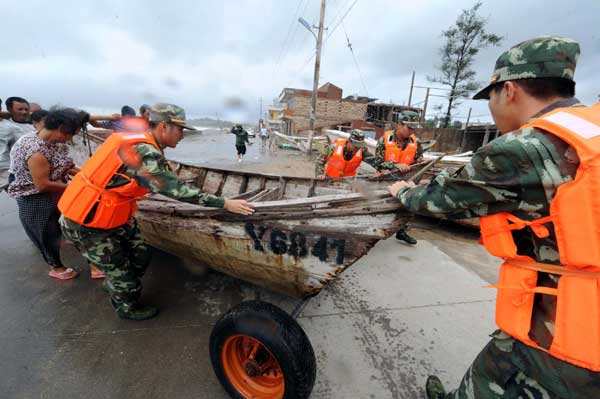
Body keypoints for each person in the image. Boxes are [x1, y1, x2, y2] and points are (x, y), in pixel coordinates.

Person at [388, 37, 600, 399]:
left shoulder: (525, 149)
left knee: (495, 379)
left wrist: (403, 192)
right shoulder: (591, 127)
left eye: (490, 97)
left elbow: (441, 200)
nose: (491, 107)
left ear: (510, 90)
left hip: (567, 327)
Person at [58, 103, 254, 321]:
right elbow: (176, 190)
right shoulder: (144, 151)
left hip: (114, 213)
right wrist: (224, 203)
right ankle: (127, 307)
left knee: (140, 255)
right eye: (179, 130)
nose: (182, 136)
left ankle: (115, 282)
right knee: (127, 280)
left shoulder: (142, 139)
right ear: (163, 126)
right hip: (86, 220)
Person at [7, 108, 91, 280]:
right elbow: (42, 185)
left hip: (55, 189)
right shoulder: (34, 150)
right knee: (45, 232)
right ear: (60, 128)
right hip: (34, 197)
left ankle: (64, 245)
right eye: (70, 135)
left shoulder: (53, 142)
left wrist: (88, 176)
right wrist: (80, 186)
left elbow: (67, 165)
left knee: (62, 225)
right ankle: (57, 267)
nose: (70, 139)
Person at [376, 119, 424, 245]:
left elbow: (417, 160)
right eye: (409, 128)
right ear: (399, 125)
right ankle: (376, 229)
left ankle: (401, 231)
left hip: (405, 180)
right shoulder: (384, 140)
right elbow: (377, 162)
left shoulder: (416, 142)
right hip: (385, 180)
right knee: (381, 206)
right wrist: (395, 165)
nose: (411, 131)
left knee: (406, 204)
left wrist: (419, 161)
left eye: (413, 129)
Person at [315, 130, 398, 178]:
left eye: (359, 146)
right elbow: (320, 160)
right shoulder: (334, 147)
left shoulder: (362, 151)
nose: (357, 148)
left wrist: (392, 166)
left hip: (348, 182)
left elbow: (375, 161)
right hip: (330, 178)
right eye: (355, 146)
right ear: (349, 141)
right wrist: (319, 174)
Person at [0, 97, 36, 188]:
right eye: (20, 109)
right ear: (9, 110)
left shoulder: (34, 126)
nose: (24, 112)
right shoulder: (6, 126)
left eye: (26, 109)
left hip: (27, 171)